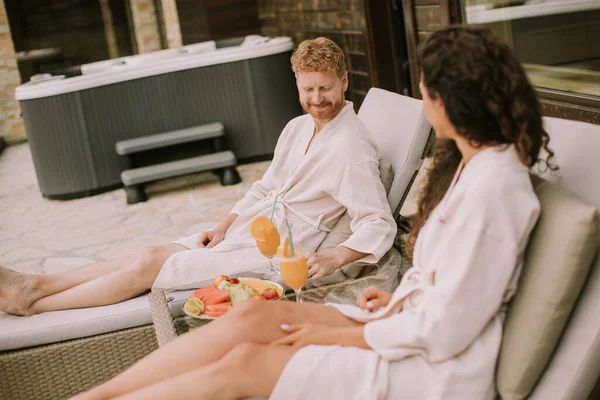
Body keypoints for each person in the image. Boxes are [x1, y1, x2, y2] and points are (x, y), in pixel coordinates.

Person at [71, 26, 557, 400]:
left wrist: (340, 337)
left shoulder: (497, 190)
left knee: (245, 360)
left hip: (430, 368)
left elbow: (447, 330)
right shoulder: (474, 168)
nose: (425, 105)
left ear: (457, 102)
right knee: (248, 325)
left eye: (428, 92)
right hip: (404, 326)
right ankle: (97, 394)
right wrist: (392, 301)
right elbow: (448, 287)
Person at [0, 38, 396, 316]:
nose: (316, 99)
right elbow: (266, 187)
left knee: (148, 269)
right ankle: (36, 285)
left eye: (325, 88)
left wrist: (336, 255)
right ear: (296, 84)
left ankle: (36, 303)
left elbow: (377, 220)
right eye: (307, 89)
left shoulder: (352, 149)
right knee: (147, 255)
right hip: (250, 232)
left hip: (276, 256)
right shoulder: (298, 127)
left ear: (344, 81)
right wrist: (225, 224)